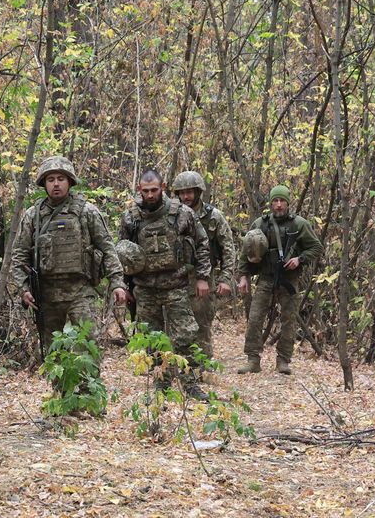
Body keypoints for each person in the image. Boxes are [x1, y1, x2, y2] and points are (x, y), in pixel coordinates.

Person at [10, 156, 127, 350]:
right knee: (53, 351)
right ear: (44, 184)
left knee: (88, 346)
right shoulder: (33, 215)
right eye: (51, 179)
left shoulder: (87, 211)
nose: (56, 184)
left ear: (70, 181)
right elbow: (19, 254)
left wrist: (117, 282)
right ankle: (61, 383)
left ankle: (87, 382)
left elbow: (107, 248)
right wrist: (24, 289)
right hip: (47, 295)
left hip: (80, 291)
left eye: (61, 179)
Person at [119, 170, 212, 399]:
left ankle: (190, 384)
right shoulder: (131, 217)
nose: (150, 195)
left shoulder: (182, 213)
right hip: (145, 288)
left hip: (176, 285)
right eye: (145, 190)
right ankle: (162, 385)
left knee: (186, 335)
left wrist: (202, 277)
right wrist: (124, 286)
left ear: (163, 187)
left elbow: (202, 244)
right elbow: (122, 253)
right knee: (152, 339)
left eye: (154, 190)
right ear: (139, 189)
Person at [236, 185, 322, 375]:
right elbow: (246, 252)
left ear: (288, 203)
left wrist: (299, 259)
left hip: (289, 279)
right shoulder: (260, 224)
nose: (279, 205)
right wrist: (244, 277)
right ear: (270, 203)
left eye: (282, 201)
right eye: (275, 201)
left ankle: (283, 360)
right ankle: (253, 359)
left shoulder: (299, 224)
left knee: (288, 320)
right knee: (255, 318)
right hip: (266, 278)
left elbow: (316, 247)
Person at [171, 171, 236, 359]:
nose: (185, 197)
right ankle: (175, 365)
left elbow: (228, 249)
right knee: (176, 322)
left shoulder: (214, 216)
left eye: (189, 192)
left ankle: (203, 365)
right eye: (182, 193)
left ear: (198, 192)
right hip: (177, 276)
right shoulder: (173, 215)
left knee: (202, 322)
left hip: (204, 276)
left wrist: (225, 279)